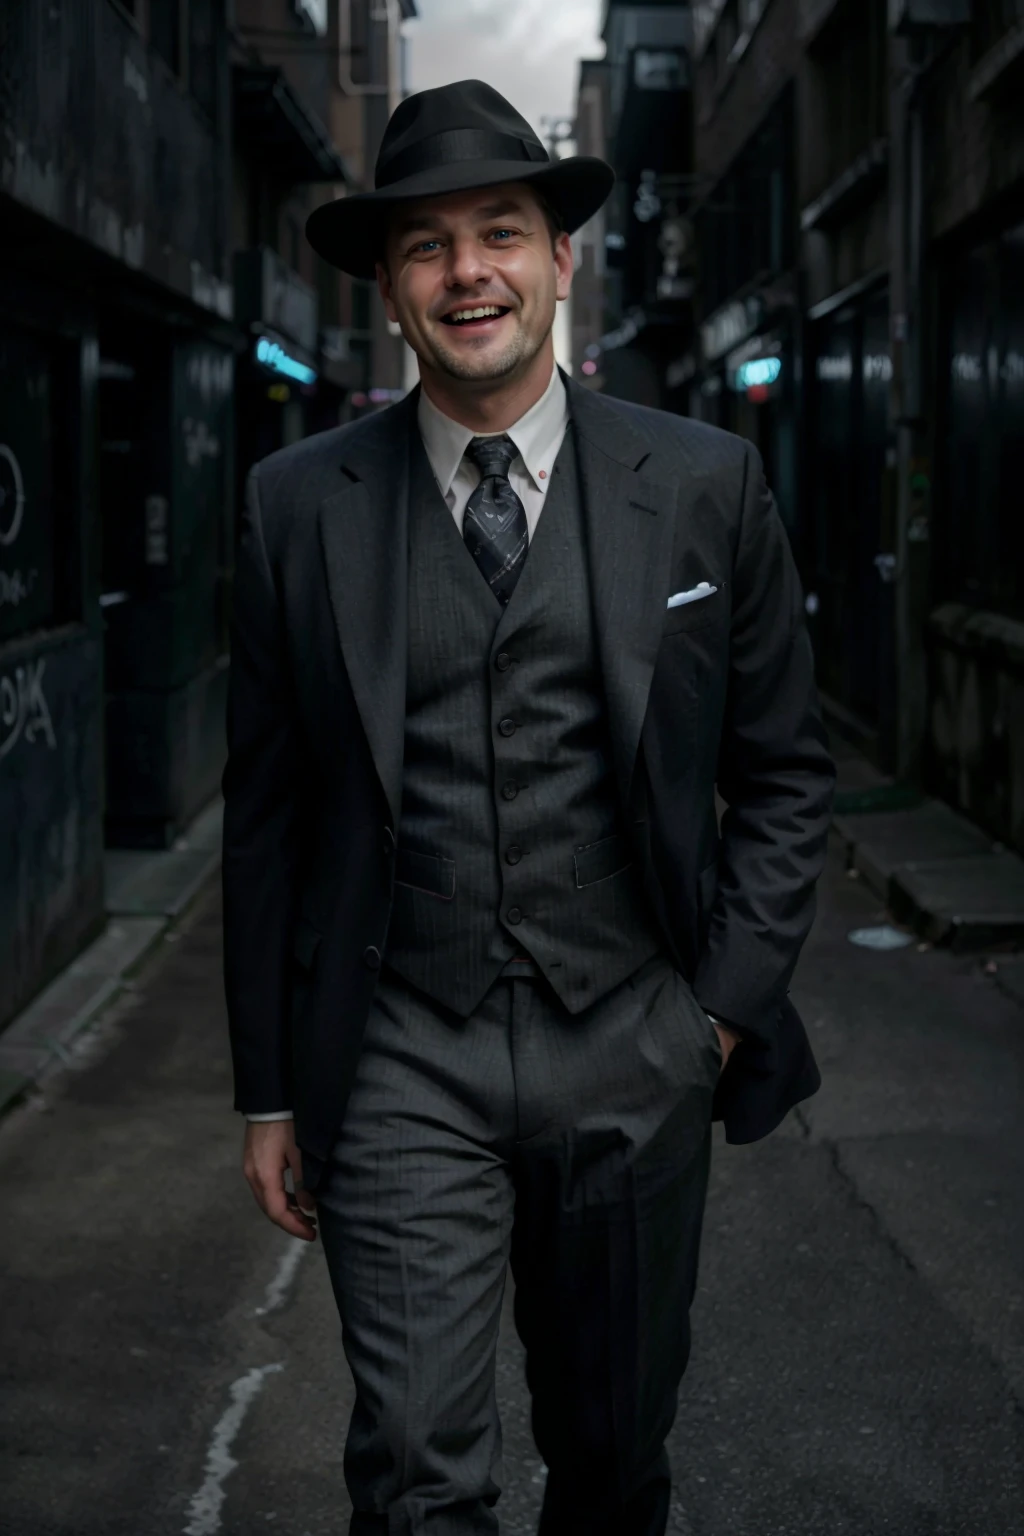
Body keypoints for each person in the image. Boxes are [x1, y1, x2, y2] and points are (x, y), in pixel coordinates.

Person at [223, 78, 836, 1536]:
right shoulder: (293, 506)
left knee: (614, 1461)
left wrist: (716, 1020)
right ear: (389, 285)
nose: (468, 272)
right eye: (427, 247)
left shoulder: (703, 485)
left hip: (635, 1035)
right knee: (418, 1474)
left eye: (501, 233)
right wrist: (268, 1088)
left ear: (561, 259)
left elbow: (787, 773)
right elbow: (267, 815)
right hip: (396, 1055)